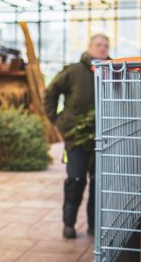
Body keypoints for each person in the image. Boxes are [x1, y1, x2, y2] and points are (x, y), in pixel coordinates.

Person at [44, 34, 110, 239]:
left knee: (99, 182)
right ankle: (69, 224)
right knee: (75, 179)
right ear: (89, 47)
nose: (102, 48)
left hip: (103, 137)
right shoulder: (73, 71)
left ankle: (94, 225)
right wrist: (57, 119)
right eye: (98, 45)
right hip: (77, 137)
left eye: (106, 46)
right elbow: (51, 92)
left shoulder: (113, 71)